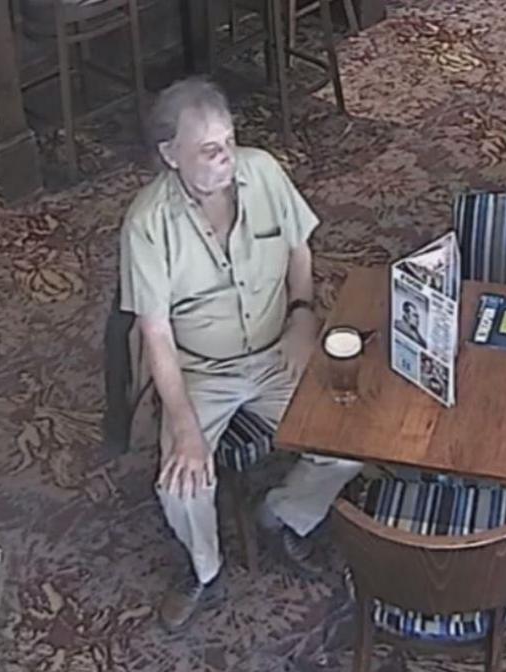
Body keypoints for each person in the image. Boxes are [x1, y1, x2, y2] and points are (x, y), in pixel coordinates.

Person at [118, 77, 364, 631]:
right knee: (180, 482)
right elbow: (156, 334)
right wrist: (182, 423)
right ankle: (204, 568)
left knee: (351, 441)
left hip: (280, 348)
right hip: (203, 369)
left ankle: (282, 512)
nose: (226, 158)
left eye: (228, 141)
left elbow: (301, 248)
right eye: (208, 149)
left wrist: (302, 315)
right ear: (170, 156)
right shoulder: (146, 225)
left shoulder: (264, 171)